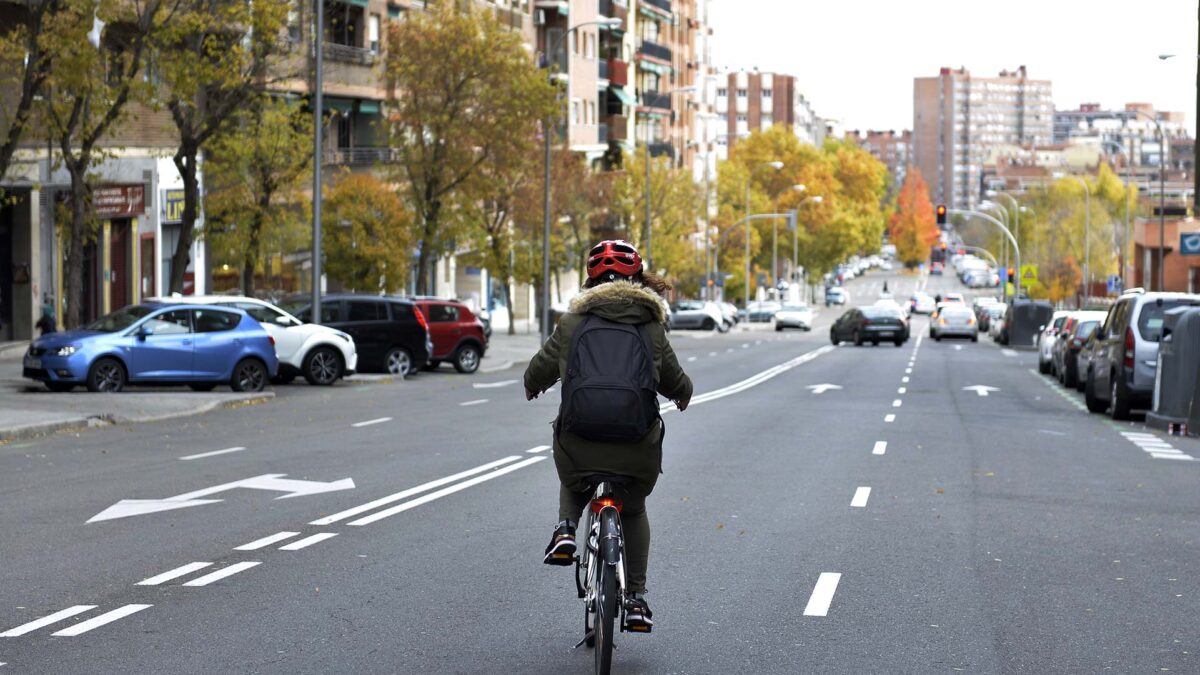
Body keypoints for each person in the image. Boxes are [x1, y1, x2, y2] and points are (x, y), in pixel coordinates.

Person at [524, 240, 692, 631]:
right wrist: (683, 395)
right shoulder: (650, 326)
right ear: (638, 281)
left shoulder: (571, 323)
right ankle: (635, 599)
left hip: (580, 442)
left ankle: (566, 529)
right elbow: (674, 379)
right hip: (636, 448)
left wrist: (533, 385)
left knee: (573, 467)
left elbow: (540, 369)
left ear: (590, 281)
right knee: (632, 509)